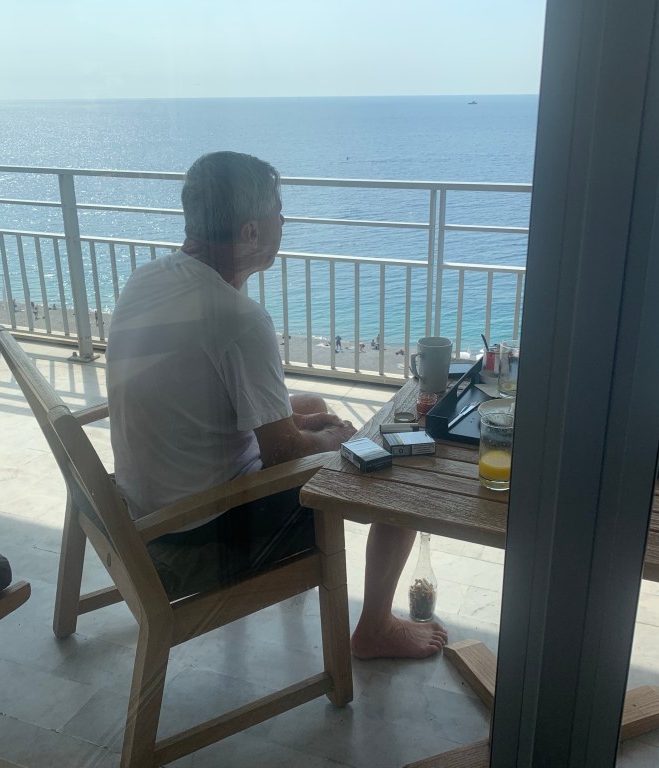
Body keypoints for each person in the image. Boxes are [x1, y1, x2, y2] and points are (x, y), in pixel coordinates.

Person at [106, 151, 446, 659]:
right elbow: (283, 455)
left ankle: (348, 599)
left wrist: (303, 422)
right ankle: (375, 628)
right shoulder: (239, 319)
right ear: (250, 232)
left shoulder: (148, 277)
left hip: (148, 505)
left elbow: (201, 396)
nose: (284, 223)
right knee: (401, 475)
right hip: (202, 536)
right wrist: (332, 437)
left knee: (309, 402)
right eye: (277, 214)